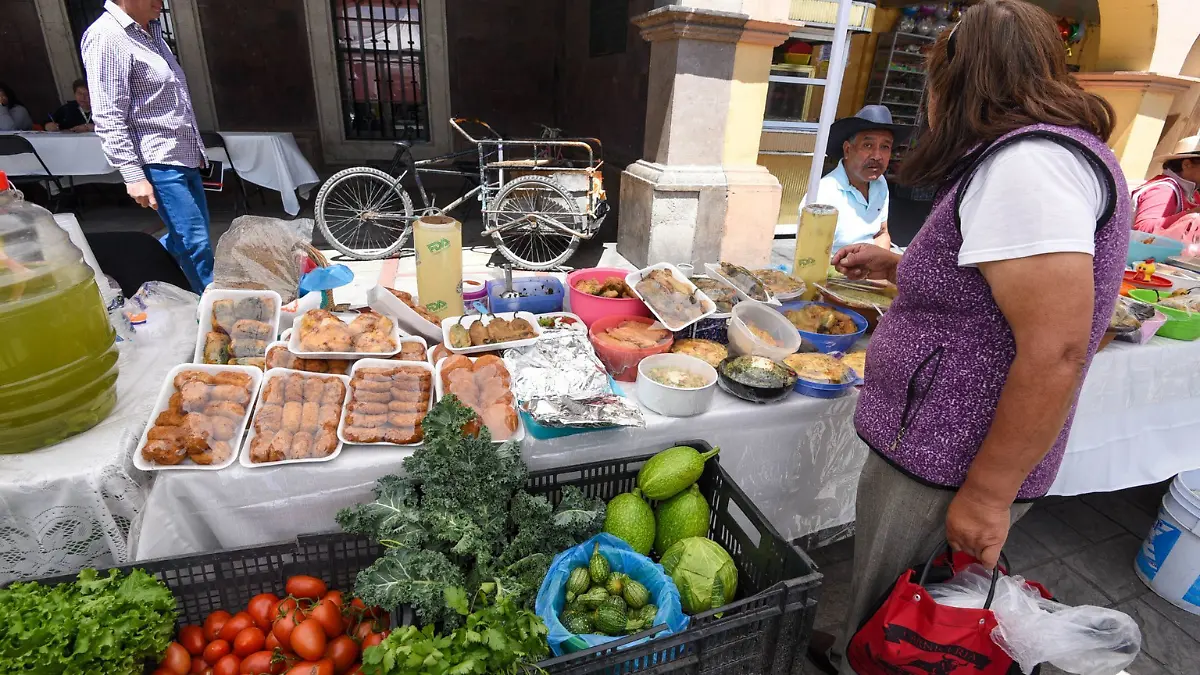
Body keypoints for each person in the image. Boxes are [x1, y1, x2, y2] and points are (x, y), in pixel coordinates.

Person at [806, 2, 1129, 674]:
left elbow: (1057, 346)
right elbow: (990, 286)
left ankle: (858, 659)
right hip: (937, 443)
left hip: (949, 453)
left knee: (903, 608)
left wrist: (986, 494)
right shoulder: (1035, 156)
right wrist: (902, 267)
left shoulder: (1029, 165)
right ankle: (851, 650)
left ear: (960, 77)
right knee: (888, 588)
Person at [82, 0, 213, 292]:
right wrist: (132, 174)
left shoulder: (151, 32)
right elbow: (108, 113)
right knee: (195, 244)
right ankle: (215, 313)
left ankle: (155, 288)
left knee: (187, 239)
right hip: (158, 159)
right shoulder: (107, 36)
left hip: (182, 155)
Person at [800, 105, 906, 252]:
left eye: (885, 147)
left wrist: (877, 265)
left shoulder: (880, 183)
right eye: (868, 145)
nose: (877, 156)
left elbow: (882, 233)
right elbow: (810, 256)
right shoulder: (824, 195)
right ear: (848, 149)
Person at [1130, 136, 1200, 243]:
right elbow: (1142, 230)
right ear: (1187, 164)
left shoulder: (1193, 194)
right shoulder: (1164, 190)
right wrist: (1191, 214)